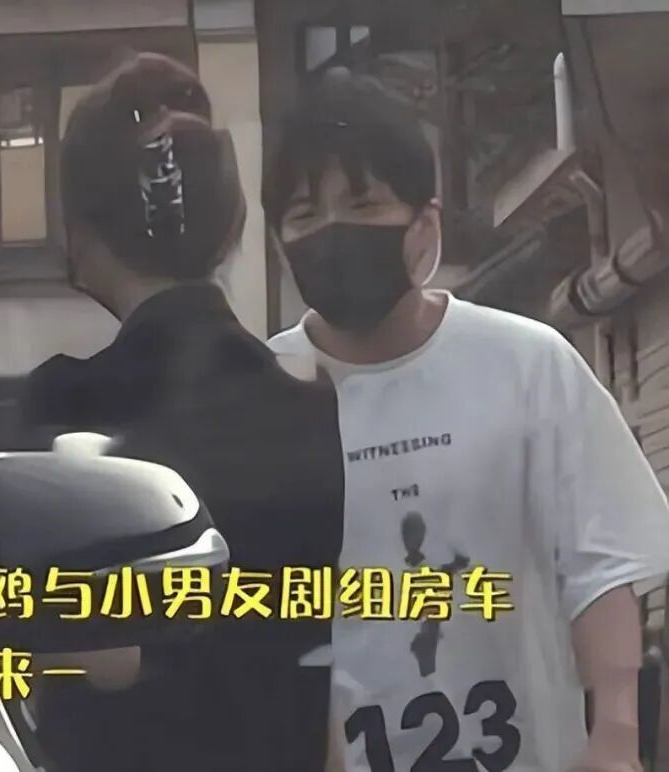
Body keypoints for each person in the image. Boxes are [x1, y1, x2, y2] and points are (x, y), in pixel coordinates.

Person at [264, 69, 669, 772]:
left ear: (424, 227)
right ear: (279, 242)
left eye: (363, 204)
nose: (332, 233)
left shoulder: (527, 364)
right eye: (305, 215)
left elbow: (602, 565)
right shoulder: (264, 391)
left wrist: (615, 732)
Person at [14, 52, 345, 772]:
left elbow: (53, 657)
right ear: (230, 230)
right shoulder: (315, 410)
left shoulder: (62, 415)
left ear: (81, 236)